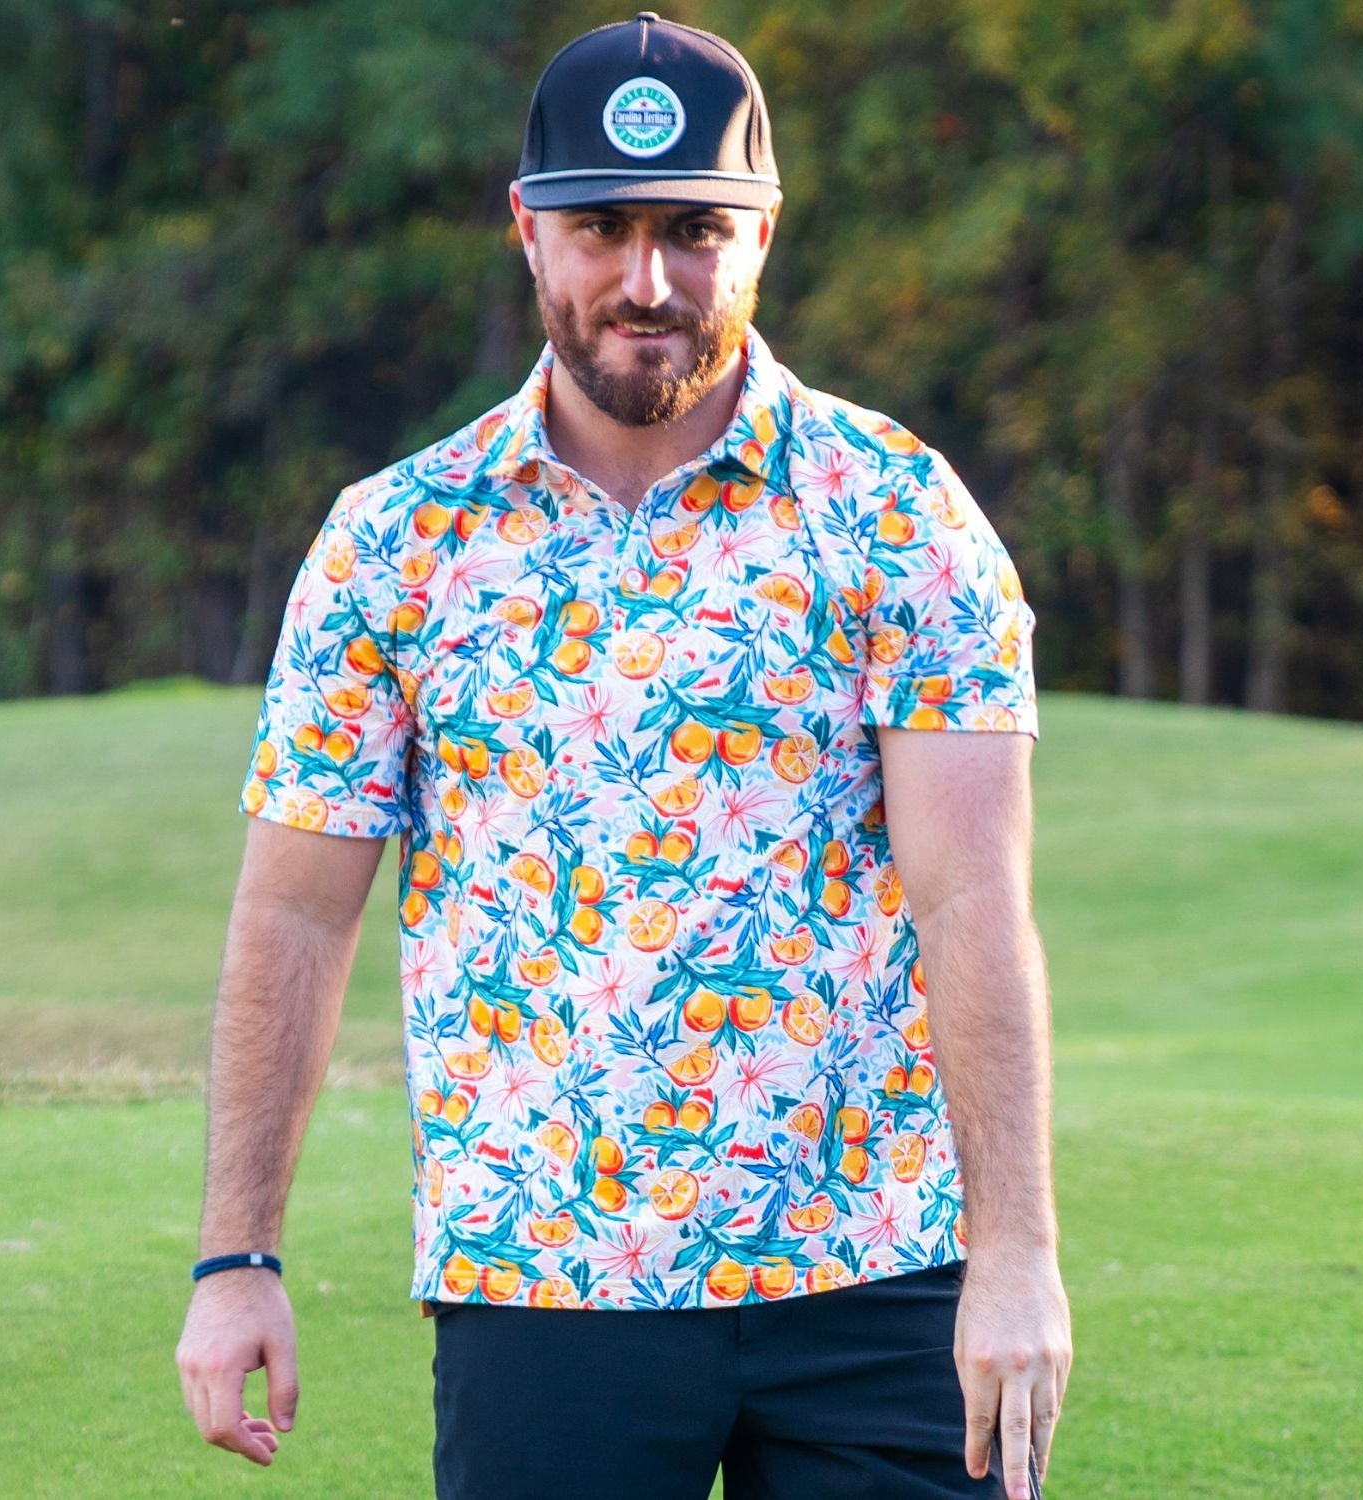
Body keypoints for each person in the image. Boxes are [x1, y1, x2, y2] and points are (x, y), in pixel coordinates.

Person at [175, 13, 1070, 1500]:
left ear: (763, 234)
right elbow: (294, 912)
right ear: (528, 232)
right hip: (544, 1284)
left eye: (693, 231)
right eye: (601, 227)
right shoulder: (397, 541)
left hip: (877, 1273)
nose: (647, 281)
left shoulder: (899, 512)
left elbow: (972, 897)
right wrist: (236, 1256)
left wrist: (1021, 1257)